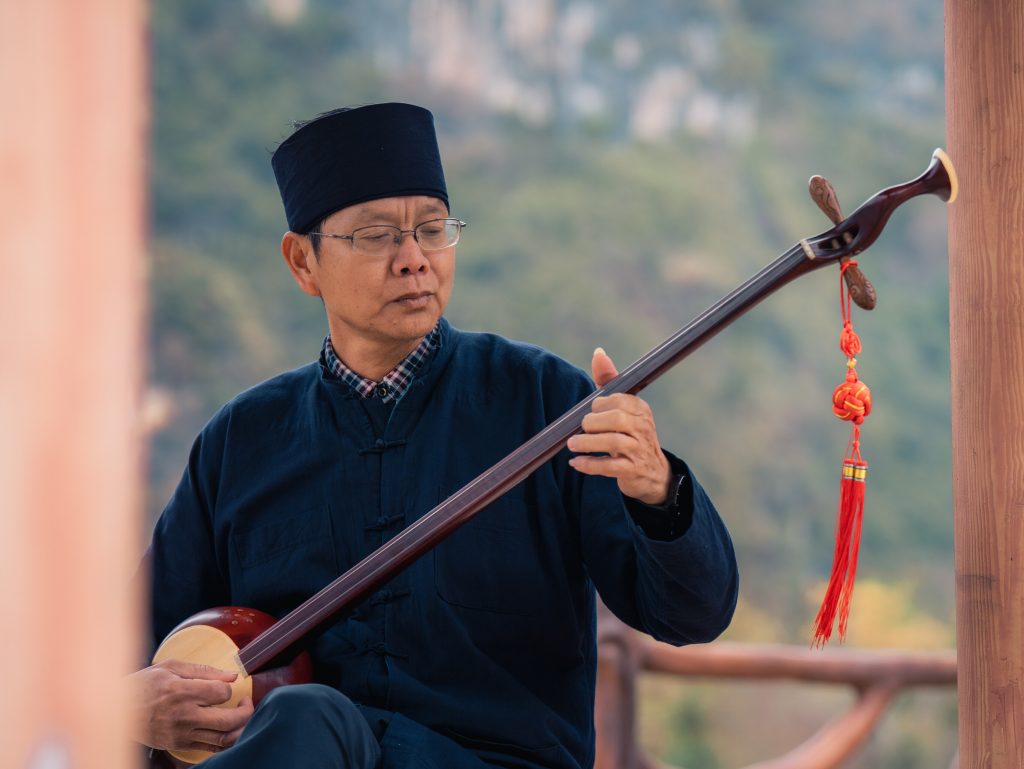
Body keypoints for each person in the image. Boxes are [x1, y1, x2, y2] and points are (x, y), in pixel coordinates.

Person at [130, 102, 738, 769]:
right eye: (377, 236)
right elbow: (126, 642)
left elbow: (692, 614)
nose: (414, 260)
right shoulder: (240, 441)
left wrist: (659, 489)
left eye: (432, 229)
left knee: (308, 715)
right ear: (303, 262)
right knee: (302, 720)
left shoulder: (548, 402)